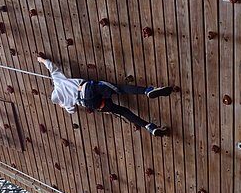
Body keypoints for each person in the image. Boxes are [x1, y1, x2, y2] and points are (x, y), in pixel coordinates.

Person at [37, 57, 172, 137]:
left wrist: (63, 105)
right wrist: (41, 60)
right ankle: (147, 91)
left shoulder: (65, 103)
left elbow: (72, 111)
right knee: (120, 89)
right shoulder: (58, 83)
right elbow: (52, 67)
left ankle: (149, 126)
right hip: (88, 89)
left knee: (123, 111)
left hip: (92, 103)